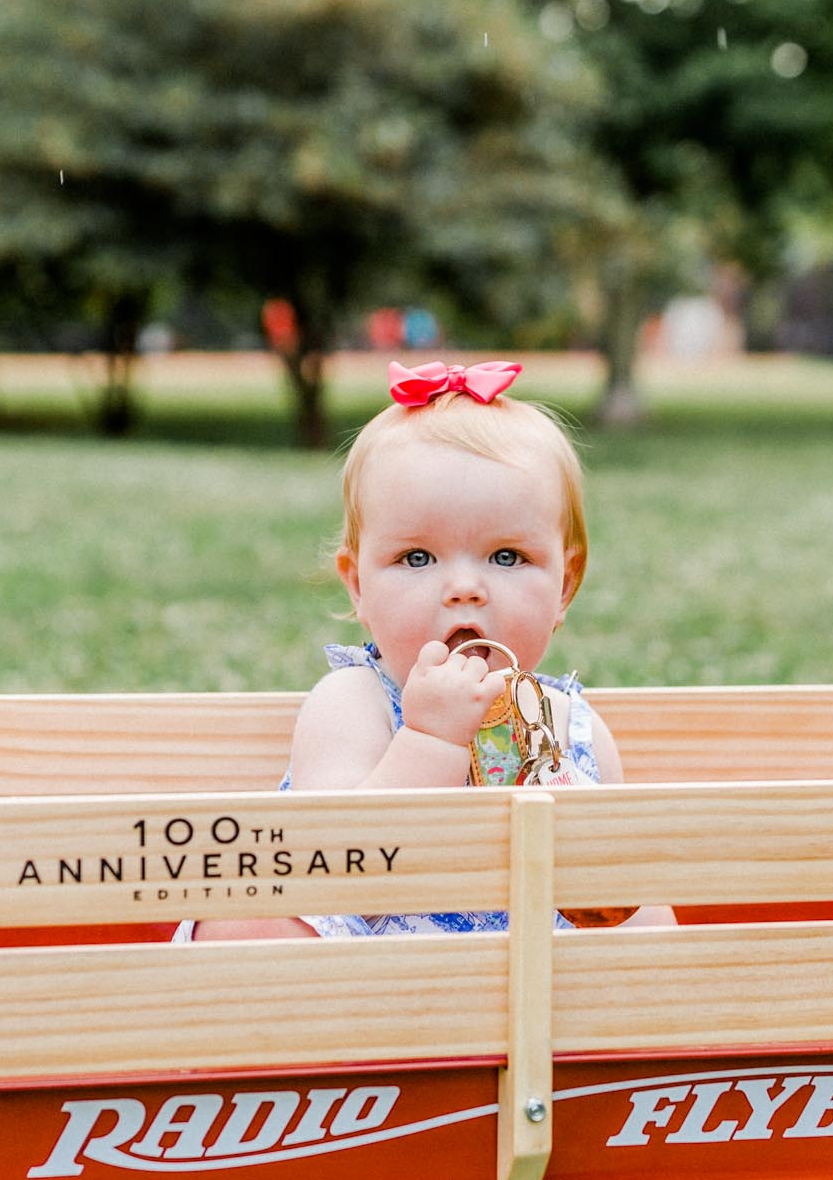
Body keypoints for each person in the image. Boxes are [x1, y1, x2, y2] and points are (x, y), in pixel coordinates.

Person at [190, 358, 674, 940]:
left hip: (535, 996)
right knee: (248, 923)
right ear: (359, 585)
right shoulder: (354, 704)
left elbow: (620, 900)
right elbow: (338, 873)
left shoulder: (573, 730)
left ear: (564, 586)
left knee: (644, 929)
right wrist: (428, 741)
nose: (465, 588)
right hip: (372, 996)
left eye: (507, 557)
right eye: (417, 558)